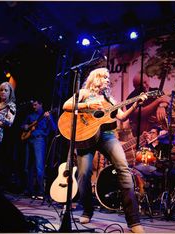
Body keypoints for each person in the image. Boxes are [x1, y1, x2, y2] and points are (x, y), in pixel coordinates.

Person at [62, 67, 147, 233]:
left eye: (108, 78)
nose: (108, 80)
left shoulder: (110, 98)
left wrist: (135, 104)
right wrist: (86, 104)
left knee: (123, 169)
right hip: (85, 136)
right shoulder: (85, 93)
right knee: (84, 174)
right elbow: (66, 105)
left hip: (107, 136)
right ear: (96, 78)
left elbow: (122, 117)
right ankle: (87, 209)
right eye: (105, 77)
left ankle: (134, 221)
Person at [21, 99, 57, 198]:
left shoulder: (46, 116)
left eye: (36, 105)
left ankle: (40, 191)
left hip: (39, 140)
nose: (34, 107)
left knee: (39, 166)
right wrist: (28, 127)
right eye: (33, 105)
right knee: (28, 166)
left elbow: (54, 129)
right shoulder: (30, 115)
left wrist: (49, 118)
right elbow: (23, 126)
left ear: (41, 104)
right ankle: (29, 190)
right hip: (29, 140)